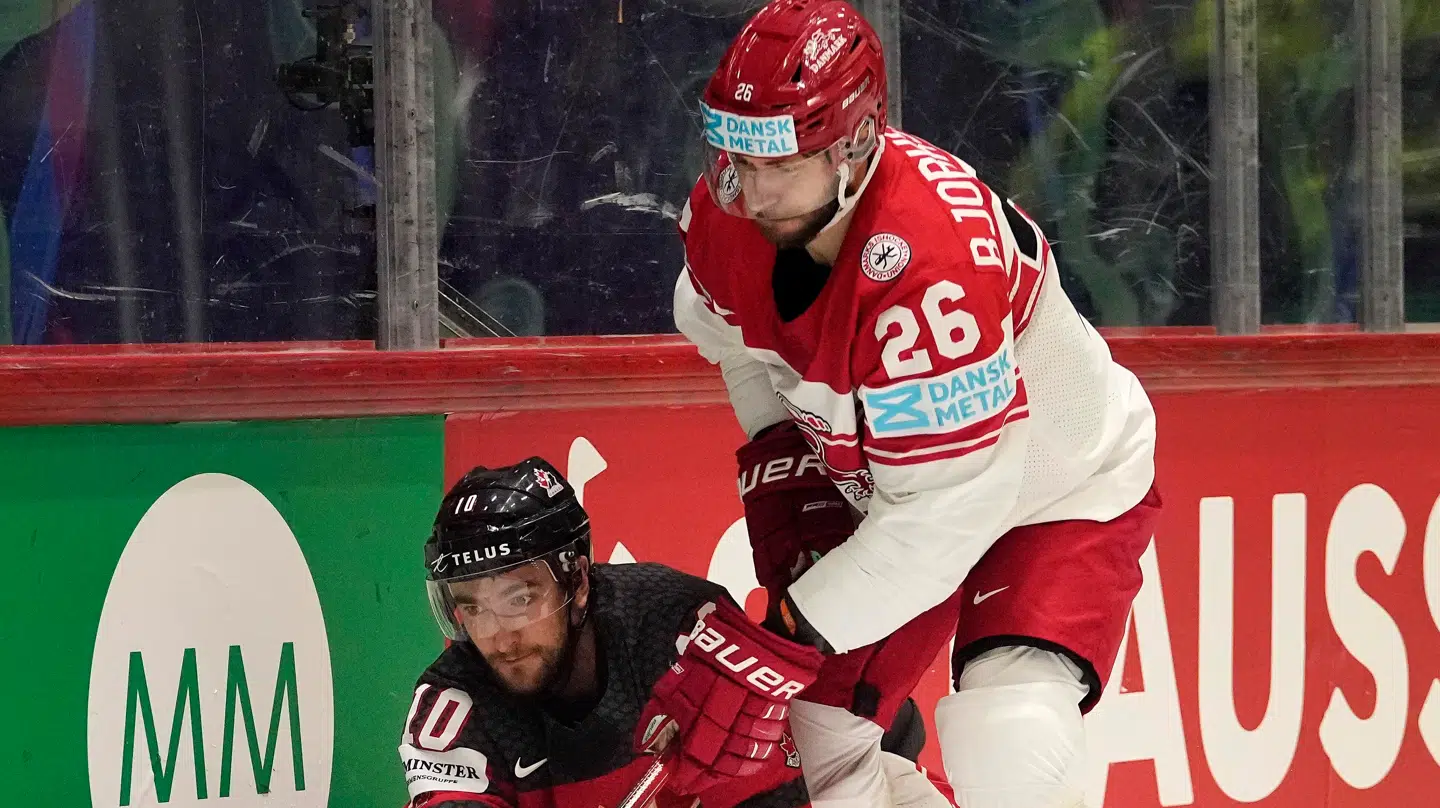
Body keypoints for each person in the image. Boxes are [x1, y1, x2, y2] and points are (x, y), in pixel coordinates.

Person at [672, 2, 1163, 808]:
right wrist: (788, 473)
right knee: (808, 739)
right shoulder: (727, 216)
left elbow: (946, 524)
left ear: (856, 145)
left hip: (1059, 490)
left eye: (781, 165)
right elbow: (737, 345)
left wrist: (789, 630)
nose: (752, 194)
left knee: (1009, 733)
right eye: (739, 159)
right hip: (899, 491)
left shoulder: (930, 271)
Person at [400, 457, 928, 808]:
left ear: (579, 580)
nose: (499, 637)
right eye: (473, 608)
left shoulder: (674, 632)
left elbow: (793, 784)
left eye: (519, 599)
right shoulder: (454, 708)